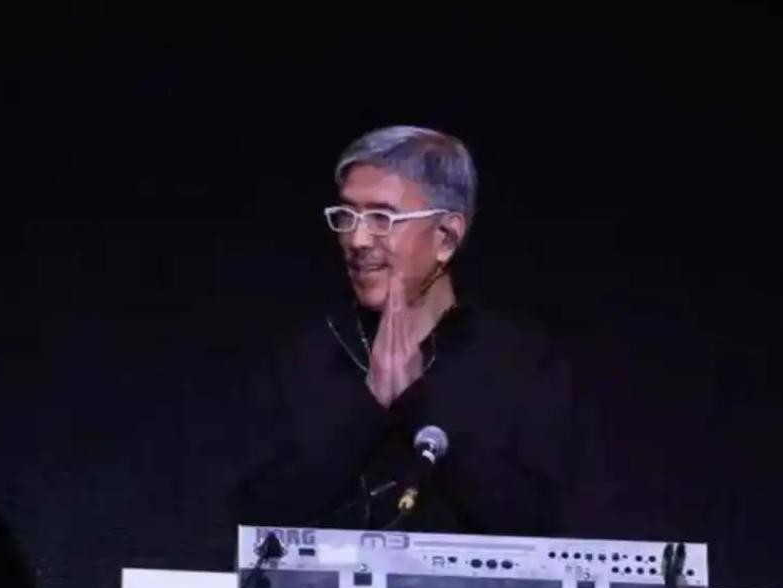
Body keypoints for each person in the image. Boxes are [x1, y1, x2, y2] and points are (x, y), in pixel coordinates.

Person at [232, 125, 582, 537]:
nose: (357, 239)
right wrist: (367, 411)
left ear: (446, 237)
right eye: (347, 216)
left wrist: (416, 404)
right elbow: (254, 524)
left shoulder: (519, 360)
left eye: (382, 218)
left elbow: (538, 528)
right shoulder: (306, 355)